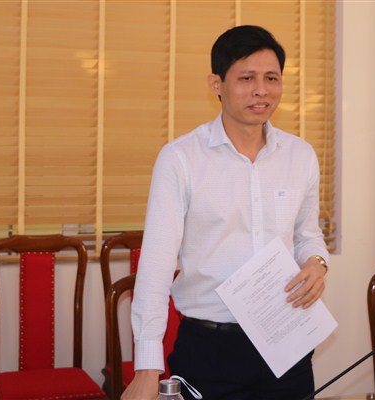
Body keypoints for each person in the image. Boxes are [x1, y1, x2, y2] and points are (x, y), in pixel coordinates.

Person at [121, 25, 329, 400]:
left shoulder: (300, 155)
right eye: (246, 78)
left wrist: (316, 262)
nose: (261, 90)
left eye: (271, 78)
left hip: (286, 341)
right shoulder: (181, 158)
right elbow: (156, 265)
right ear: (216, 84)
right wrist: (147, 369)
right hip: (210, 349)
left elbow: (307, 234)